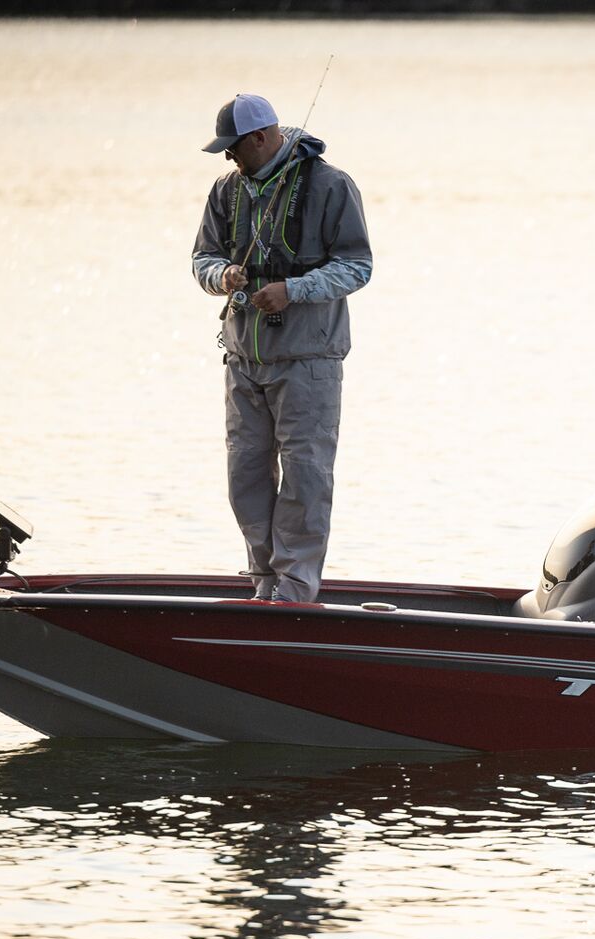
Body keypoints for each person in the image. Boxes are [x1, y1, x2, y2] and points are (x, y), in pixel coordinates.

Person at [192, 93, 372, 602]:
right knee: (243, 474)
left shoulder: (332, 185)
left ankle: (295, 589)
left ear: (261, 138)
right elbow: (201, 257)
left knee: (305, 477)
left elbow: (357, 266)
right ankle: (263, 583)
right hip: (242, 361)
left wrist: (293, 291)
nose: (229, 158)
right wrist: (221, 275)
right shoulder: (225, 191)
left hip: (308, 362)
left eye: (234, 148)